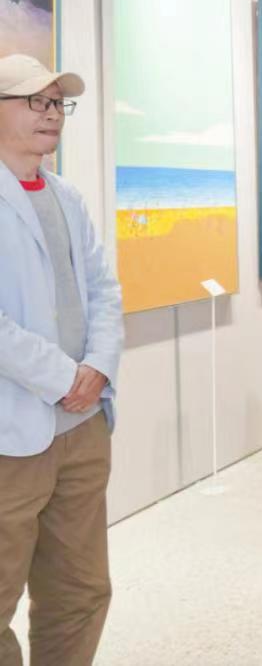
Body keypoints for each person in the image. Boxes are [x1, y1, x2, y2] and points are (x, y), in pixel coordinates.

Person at [0, 55, 122, 666]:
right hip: (11, 434)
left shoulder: (66, 195)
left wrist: (98, 367)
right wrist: (62, 376)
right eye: (34, 101)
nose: (51, 114)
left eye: (57, 103)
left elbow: (103, 289)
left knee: (80, 592)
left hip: (82, 426)